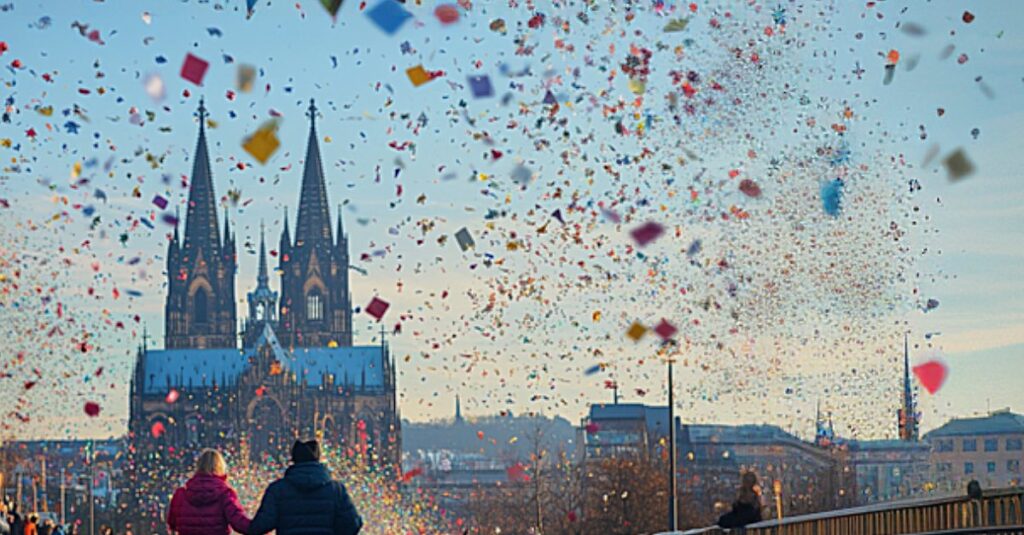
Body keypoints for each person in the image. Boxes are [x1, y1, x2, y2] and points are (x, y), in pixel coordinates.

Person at [249, 440, 362, 535]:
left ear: (294, 459)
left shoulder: (277, 490)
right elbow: (352, 524)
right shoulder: (336, 490)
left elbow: (261, 526)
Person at [167, 449, 251, 535]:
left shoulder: (180, 495)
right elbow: (240, 523)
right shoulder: (225, 494)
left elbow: (172, 524)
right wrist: (261, 526)